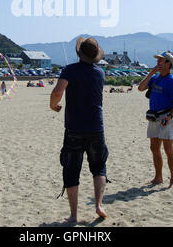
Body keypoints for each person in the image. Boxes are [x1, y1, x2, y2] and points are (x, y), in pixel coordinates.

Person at [50, 37, 109, 223]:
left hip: (75, 128)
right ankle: (99, 205)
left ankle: (74, 215)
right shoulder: (100, 73)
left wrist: (53, 105)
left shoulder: (70, 70)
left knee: (71, 170)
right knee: (99, 167)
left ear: (79, 53)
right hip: (96, 127)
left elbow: (58, 91)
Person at [138, 52, 173, 189]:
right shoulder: (156, 77)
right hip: (153, 117)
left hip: (166, 118)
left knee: (168, 150)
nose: (158, 63)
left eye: (161, 61)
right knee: (154, 148)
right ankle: (158, 177)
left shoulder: (172, 81)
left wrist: (169, 117)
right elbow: (140, 88)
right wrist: (151, 73)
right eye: (158, 60)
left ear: (168, 63)